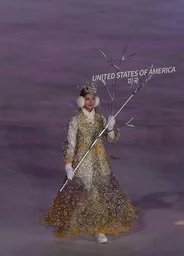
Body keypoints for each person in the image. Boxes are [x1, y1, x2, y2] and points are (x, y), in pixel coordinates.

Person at [42, 84, 138, 243]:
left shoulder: (100, 119)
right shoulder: (76, 120)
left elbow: (110, 140)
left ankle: (98, 227)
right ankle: (97, 228)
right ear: (81, 101)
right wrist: (68, 164)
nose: (91, 101)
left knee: (100, 192)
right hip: (83, 160)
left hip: (100, 161)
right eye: (87, 99)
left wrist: (111, 128)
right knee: (89, 193)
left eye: (93, 98)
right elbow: (71, 143)